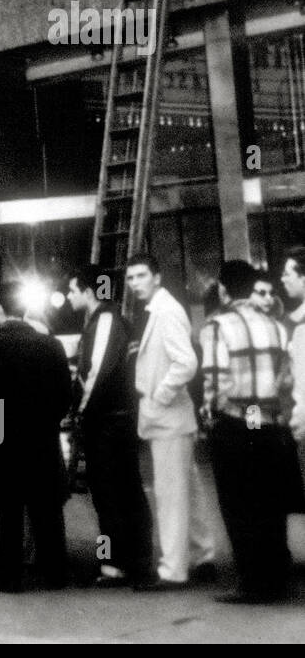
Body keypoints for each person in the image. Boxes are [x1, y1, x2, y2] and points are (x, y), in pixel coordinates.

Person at [200, 260, 301, 603]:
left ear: (224, 289)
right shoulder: (276, 326)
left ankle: (253, 582)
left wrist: (210, 413)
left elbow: (215, 379)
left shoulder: (217, 325)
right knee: (268, 502)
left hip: (235, 421)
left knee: (239, 504)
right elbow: (285, 379)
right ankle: (276, 577)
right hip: (264, 419)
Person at [0, 283, 73, 593]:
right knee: (47, 508)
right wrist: (49, 422)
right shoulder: (50, 345)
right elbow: (65, 396)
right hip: (41, 438)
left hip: (2, 442)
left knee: (8, 511)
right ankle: (55, 573)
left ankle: (9, 576)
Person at [125, 253, 218, 590]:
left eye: (141, 276)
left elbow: (186, 363)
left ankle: (173, 569)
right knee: (188, 490)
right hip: (174, 419)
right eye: (131, 278)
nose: (135, 283)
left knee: (170, 495)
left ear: (157, 277)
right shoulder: (162, 309)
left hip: (168, 418)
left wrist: (158, 396)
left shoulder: (165, 312)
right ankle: (202, 555)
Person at [67, 267, 154, 588]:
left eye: (73, 290)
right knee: (121, 491)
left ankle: (114, 563)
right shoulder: (108, 319)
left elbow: (97, 371)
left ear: (88, 291)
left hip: (107, 422)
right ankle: (129, 561)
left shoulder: (104, 320)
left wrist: (80, 410)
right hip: (117, 419)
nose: (69, 296)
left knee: (108, 495)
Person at [279, 247, 305, 451]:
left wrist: (298, 420)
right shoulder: (286, 323)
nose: (282, 279)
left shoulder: (299, 329)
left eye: (287, 274)